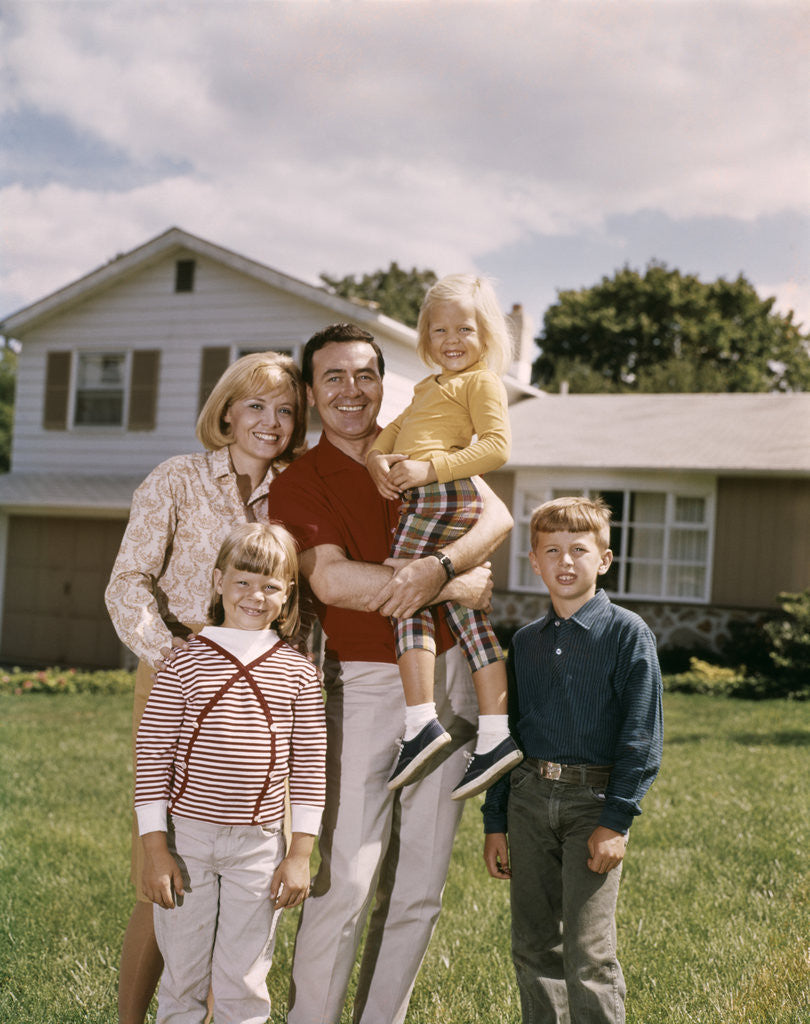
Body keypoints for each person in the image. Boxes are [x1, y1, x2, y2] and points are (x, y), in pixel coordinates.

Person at [267, 322, 513, 1024]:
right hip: (369, 688)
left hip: (453, 683)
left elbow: (494, 515)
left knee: (420, 889)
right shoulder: (301, 482)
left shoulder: (419, 447)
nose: (352, 391)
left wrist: (439, 566)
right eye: (334, 378)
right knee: (344, 880)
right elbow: (336, 581)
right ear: (313, 394)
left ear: (383, 382)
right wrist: (453, 584)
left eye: (364, 375)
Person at [105, 351, 308, 1024]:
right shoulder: (178, 479)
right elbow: (128, 581)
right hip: (177, 673)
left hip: (263, 691)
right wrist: (175, 660)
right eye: (255, 405)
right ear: (225, 411)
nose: (269, 422)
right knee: (164, 873)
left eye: (284, 411)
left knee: (250, 874)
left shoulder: (299, 490)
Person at [135, 522, 327, 1024]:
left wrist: (300, 853)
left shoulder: (299, 673)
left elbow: (309, 770)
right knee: (183, 980)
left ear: (288, 597)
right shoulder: (182, 663)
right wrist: (156, 850)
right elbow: (151, 760)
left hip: (260, 847)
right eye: (243, 581)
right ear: (219, 581)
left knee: (243, 981)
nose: (254, 595)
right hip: (187, 842)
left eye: (270, 586)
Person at [482, 496, 664, 1024]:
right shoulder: (527, 642)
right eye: (552, 551)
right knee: (534, 945)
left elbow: (641, 738)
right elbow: (509, 736)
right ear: (534, 562)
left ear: (603, 560)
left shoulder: (628, 635)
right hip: (529, 799)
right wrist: (497, 821)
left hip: (594, 802)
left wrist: (616, 820)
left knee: (588, 952)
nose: (565, 562)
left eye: (579, 550)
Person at [366, 274, 522, 799]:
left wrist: (429, 471)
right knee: (467, 617)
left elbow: (497, 447)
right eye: (438, 331)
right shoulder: (428, 388)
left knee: (405, 592)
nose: (451, 340)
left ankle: (421, 723)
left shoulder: (482, 382)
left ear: (487, 335)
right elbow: (387, 439)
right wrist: (379, 465)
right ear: (424, 336)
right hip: (433, 495)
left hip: (442, 494)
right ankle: (497, 736)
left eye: (464, 329)